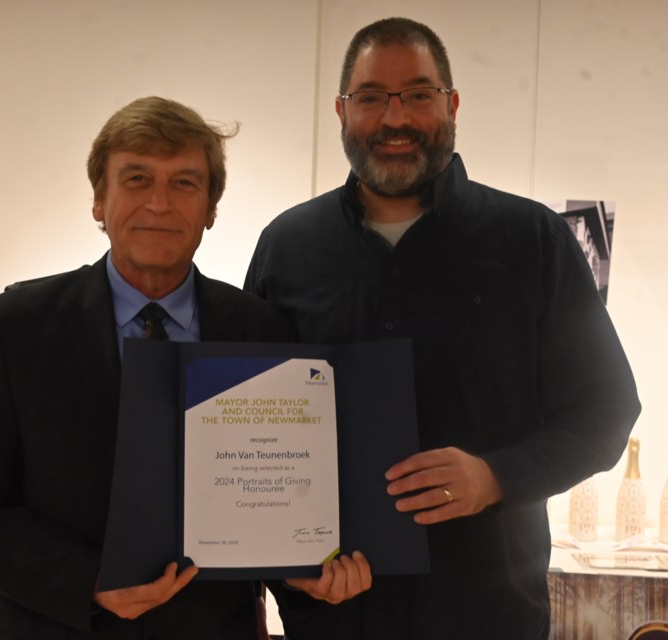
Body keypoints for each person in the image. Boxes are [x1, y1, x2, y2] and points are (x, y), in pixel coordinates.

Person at [245, 17, 642, 640]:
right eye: (372, 97)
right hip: (335, 615)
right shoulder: (287, 247)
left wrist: (495, 476)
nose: (393, 118)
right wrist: (287, 568)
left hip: (486, 613)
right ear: (342, 111)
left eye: (418, 95)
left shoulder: (533, 240)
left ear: (452, 104)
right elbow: (250, 420)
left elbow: (605, 410)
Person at [0, 97, 365, 640]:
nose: (159, 204)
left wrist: (306, 573)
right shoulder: (16, 327)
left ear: (210, 209)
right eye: (136, 179)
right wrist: (89, 581)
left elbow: (266, 505)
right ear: (98, 200)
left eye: (184, 183)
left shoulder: (261, 330)